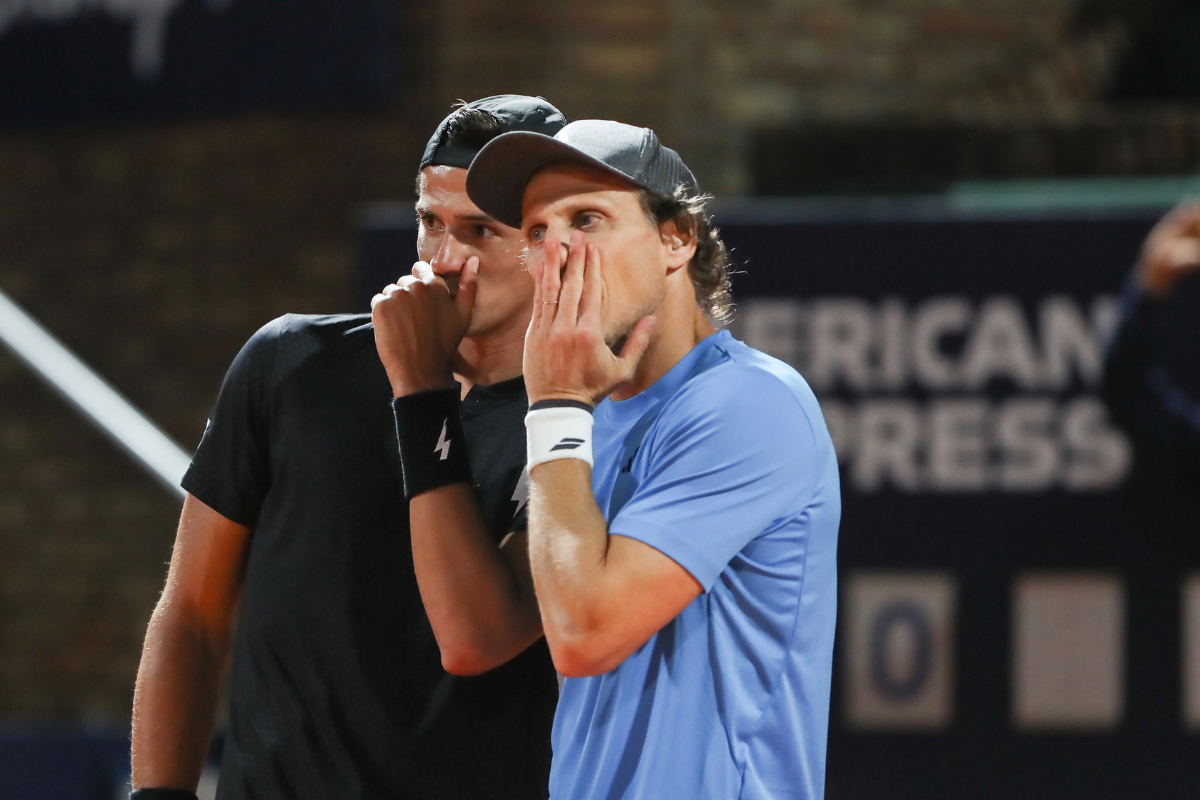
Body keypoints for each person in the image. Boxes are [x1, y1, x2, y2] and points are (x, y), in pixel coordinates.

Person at [129, 95, 566, 800]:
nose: (445, 260)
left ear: (548, 241)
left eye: (480, 232)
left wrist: (419, 387)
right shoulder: (291, 363)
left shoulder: (581, 419)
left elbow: (481, 638)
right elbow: (192, 610)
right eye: (431, 223)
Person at [461, 120, 839, 799]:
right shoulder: (580, 417)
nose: (558, 255)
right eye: (538, 234)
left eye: (587, 218)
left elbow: (583, 634)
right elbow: (481, 634)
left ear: (677, 238)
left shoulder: (749, 402)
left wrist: (553, 409)